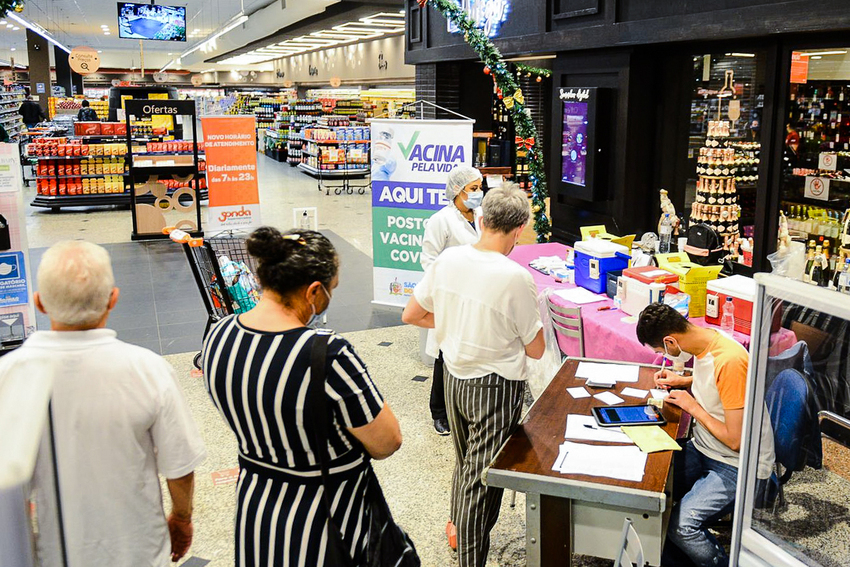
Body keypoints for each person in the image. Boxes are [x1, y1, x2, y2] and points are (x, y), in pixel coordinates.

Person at [202, 227, 405, 567]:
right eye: (331, 289)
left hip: (258, 514)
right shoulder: (326, 354)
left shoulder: (220, 336)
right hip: (327, 522)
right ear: (313, 291)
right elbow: (387, 441)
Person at [0, 240, 206, 566]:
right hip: (139, 552)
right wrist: (181, 518)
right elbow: (179, 467)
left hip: (53, 554)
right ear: (113, 298)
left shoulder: (9, 374)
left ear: (40, 303)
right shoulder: (149, 370)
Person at [402, 183, 545, 567]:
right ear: (519, 230)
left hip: (454, 376)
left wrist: (454, 321)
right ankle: (469, 557)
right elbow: (537, 349)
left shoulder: (448, 261)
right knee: (482, 484)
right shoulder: (516, 278)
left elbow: (411, 314)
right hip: (495, 386)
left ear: (481, 219)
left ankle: (457, 529)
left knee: (465, 464)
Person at [636, 303, 775, 567]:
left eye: (661, 351)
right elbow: (715, 382)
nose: (664, 356)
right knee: (648, 485)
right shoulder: (705, 342)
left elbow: (735, 441)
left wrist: (692, 406)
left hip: (739, 465)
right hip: (706, 447)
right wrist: (684, 381)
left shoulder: (730, 361)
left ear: (670, 341)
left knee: (681, 525)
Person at [421, 165, 484, 436]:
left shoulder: (482, 216)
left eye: (480, 188)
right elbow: (428, 260)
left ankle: (466, 406)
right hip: (450, 295)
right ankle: (439, 411)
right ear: (458, 191)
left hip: (478, 293)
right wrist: (448, 285)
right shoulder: (441, 220)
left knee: (469, 350)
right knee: (444, 354)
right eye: (473, 189)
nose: (478, 194)